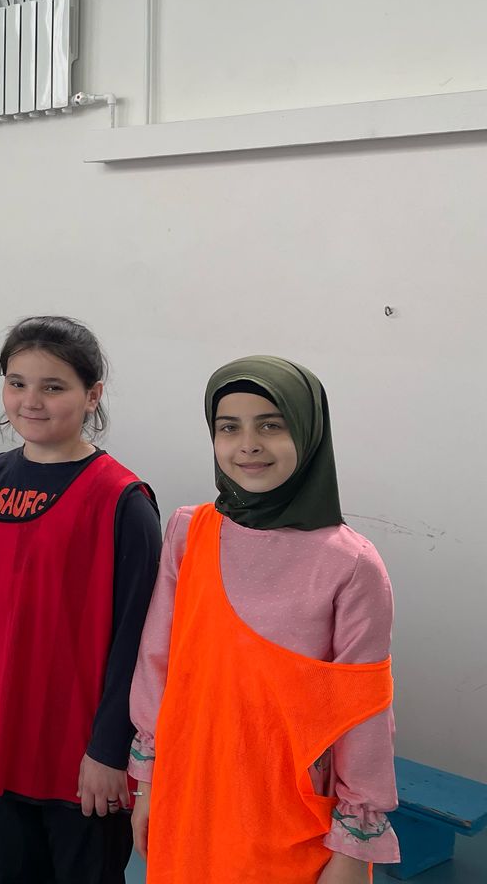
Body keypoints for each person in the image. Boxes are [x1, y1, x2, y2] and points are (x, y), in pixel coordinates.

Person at [129, 357, 398, 883]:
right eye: (229, 427)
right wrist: (148, 784)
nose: (248, 445)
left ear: (308, 432)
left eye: (271, 425)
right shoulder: (189, 532)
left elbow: (362, 718)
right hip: (190, 794)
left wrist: (353, 847)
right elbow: (156, 664)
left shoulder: (351, 564)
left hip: (288, 818)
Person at [0, 316, 161, 884]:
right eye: (17, 383)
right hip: (3, 736)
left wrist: (110, 751)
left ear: (93, 395)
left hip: (82, 757)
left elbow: (139, 643)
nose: (30, 401)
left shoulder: (121, 500)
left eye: (53, 387)